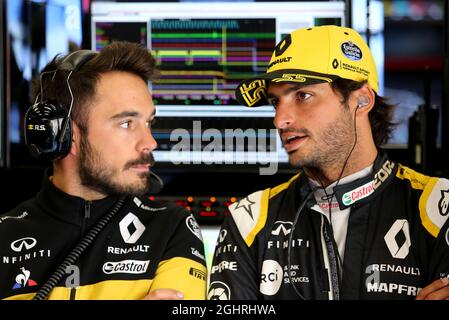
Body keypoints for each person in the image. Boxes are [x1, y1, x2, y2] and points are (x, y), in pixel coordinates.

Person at [208, 25, 449, 300]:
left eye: (302, 96)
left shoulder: (438, 207)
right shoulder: (247, 221)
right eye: (275, 102)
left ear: (361, 99)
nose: (280, 120)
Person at [0, 42, 206, 300]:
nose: (150, 142)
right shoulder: (5, 236)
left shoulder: (171, 227)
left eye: (149, 122)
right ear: (65, 134)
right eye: (127, 123)